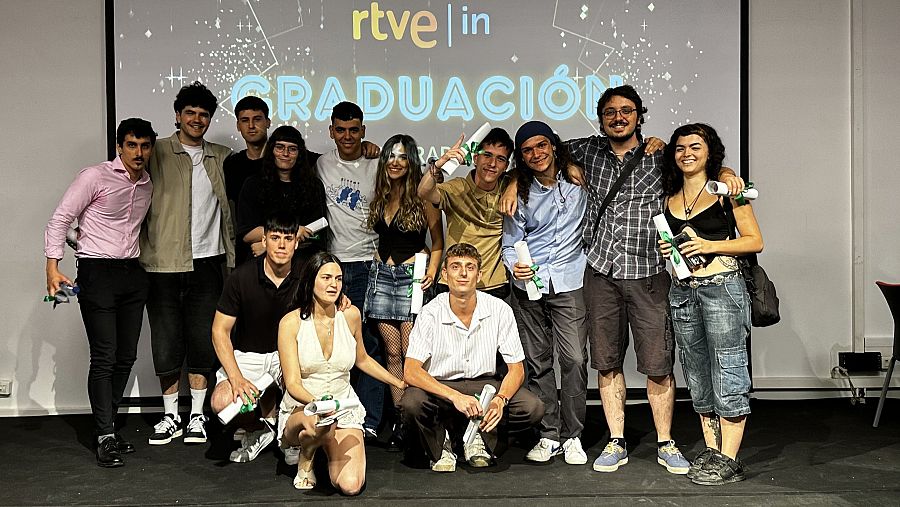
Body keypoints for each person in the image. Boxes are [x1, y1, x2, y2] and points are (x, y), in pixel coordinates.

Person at [558, 85, 743, 475]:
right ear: (600, 116)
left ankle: (665, 442)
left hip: (651, 273)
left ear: (640, 115)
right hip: (602, 272)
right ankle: (616, 441)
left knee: (659, 364)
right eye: (610, 112)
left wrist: (727, 173)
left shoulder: (661, 155)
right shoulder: (587, 150)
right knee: (606, 363)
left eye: (626, 111)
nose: (618, 117)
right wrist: (546, 170)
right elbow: (541, 151)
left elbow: (703, 165)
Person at [44, 118, 156, 467]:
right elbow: (60, 218)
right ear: (119, 147)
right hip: (97, 273)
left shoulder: (148, 183)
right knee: (104, 356)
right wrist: (52, 266)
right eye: (132, 145)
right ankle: (105, 434)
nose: (138, 153)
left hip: (133, 274)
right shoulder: (94, 176)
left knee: (126, 357)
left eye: (145, 146)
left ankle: (108, 427)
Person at [658, 123, 762, 485]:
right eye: (681, 147)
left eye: (695, 146)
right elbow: (679, 251)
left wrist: (708, 245)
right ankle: (713, 449)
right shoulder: (669, 196)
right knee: (698, 372)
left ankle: (729, 457)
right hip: (683, 291)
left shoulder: (729, 191)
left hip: (722, 288)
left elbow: (754, 241)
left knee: (728, 365)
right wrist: (668, 252)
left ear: (709, 151)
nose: (687, 153)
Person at [140, 81, 235, 447]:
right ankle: (169, 416)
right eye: (190, 113)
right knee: (165, 342)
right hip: (162, 264)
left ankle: (196, 416)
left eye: (204, 114)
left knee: (201, 340)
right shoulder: (157, 151)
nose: (197, 119)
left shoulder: (222, 156)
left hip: (208, 263)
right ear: (178, 115)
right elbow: (125, 179)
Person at [401, 243, 544, 473]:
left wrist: (500, 400)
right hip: (442, 389)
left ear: (480, 274)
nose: (463, 273)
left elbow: (516, 369)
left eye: (470, 267)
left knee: (532, 407)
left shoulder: (499, 309)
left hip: (483, 386)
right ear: (445, 274)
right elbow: (411, 370)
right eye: (456, 267)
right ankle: (442, 442)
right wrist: (455, 396)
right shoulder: (430, 312)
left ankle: (480, 436)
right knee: (411, 402)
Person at [277, 252, 405, 493]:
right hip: (305, 409)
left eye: (338, 279)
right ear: (310, 280)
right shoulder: (290, 323)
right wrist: (319, 405)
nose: (333, 285)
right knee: (317, 424)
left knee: (351, 485)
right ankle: (307, 455)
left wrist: (397, 381)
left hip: (343, 405)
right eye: (326, 278)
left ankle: (323, 448)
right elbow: (292, 383)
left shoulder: (351, 315)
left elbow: (363, 359)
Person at [501, 121, 590, 465]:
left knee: (574, 360)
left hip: (569, 281)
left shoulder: (579, 180)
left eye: (541, 146)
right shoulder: (519, 193)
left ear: (553, 146)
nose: (536, 154)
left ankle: (573, 435)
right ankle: (550, 434)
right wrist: (515, 267)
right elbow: (510, 243)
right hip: (529, 286)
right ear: (520, 157)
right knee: (538, 362)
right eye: (527, 150)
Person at [364, 134, 444, 450]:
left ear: (410, 161)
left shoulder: (423, 197)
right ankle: (399, 417)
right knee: (392, 353)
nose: (395, 162)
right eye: (390, 156)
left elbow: (438, 242)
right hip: (382, 277)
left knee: (413, 354)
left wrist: (432, 272)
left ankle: (416, 417)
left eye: (401, 157)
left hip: (413, 279)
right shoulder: (381, 195)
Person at [209, 214, 304, 463]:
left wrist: (343, 303)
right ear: (264, 240)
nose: (281, 245)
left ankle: (290, 436)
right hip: (248, 356)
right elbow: (219, 330)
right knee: (222, 401)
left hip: (289, 356)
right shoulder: (241, 277)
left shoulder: (307, 275)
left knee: (308, 388)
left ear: (296, 242)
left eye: (288, 238)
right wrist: (236, 378)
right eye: (275, 238)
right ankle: (258, 429)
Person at [315, 101, 384, 438]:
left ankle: (370, 420)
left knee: (369, 344)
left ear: (363, 131)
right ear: (331, 131)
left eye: (353, 130)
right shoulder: (320, 164)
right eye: (340, 130)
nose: (347, 136)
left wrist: (381, 151)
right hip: (335, 266)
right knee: (336, 345)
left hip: (371, 265)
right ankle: (343, 413)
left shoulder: (377, 163)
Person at [417, 129, 515, 299]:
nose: (492, 164)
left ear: (506, 166)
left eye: (500, 159)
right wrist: (440, 163)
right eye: (487, 155)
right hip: (453, 283)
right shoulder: (457, 188)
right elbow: (424, 192)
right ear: (475, 158)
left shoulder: (508, 187)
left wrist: (513, 185)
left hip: (493, 284)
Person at [236, 125, 328, 262]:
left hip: (301, 265)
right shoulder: (253, 184)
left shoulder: (314, 186)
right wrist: (295, 232)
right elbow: (247, 234)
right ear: (271, 150)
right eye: (280, 147)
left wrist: (267, 245)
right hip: (262, 266)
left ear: (300, 154)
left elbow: (317, 237)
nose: (285, 153)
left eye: (292, 149)